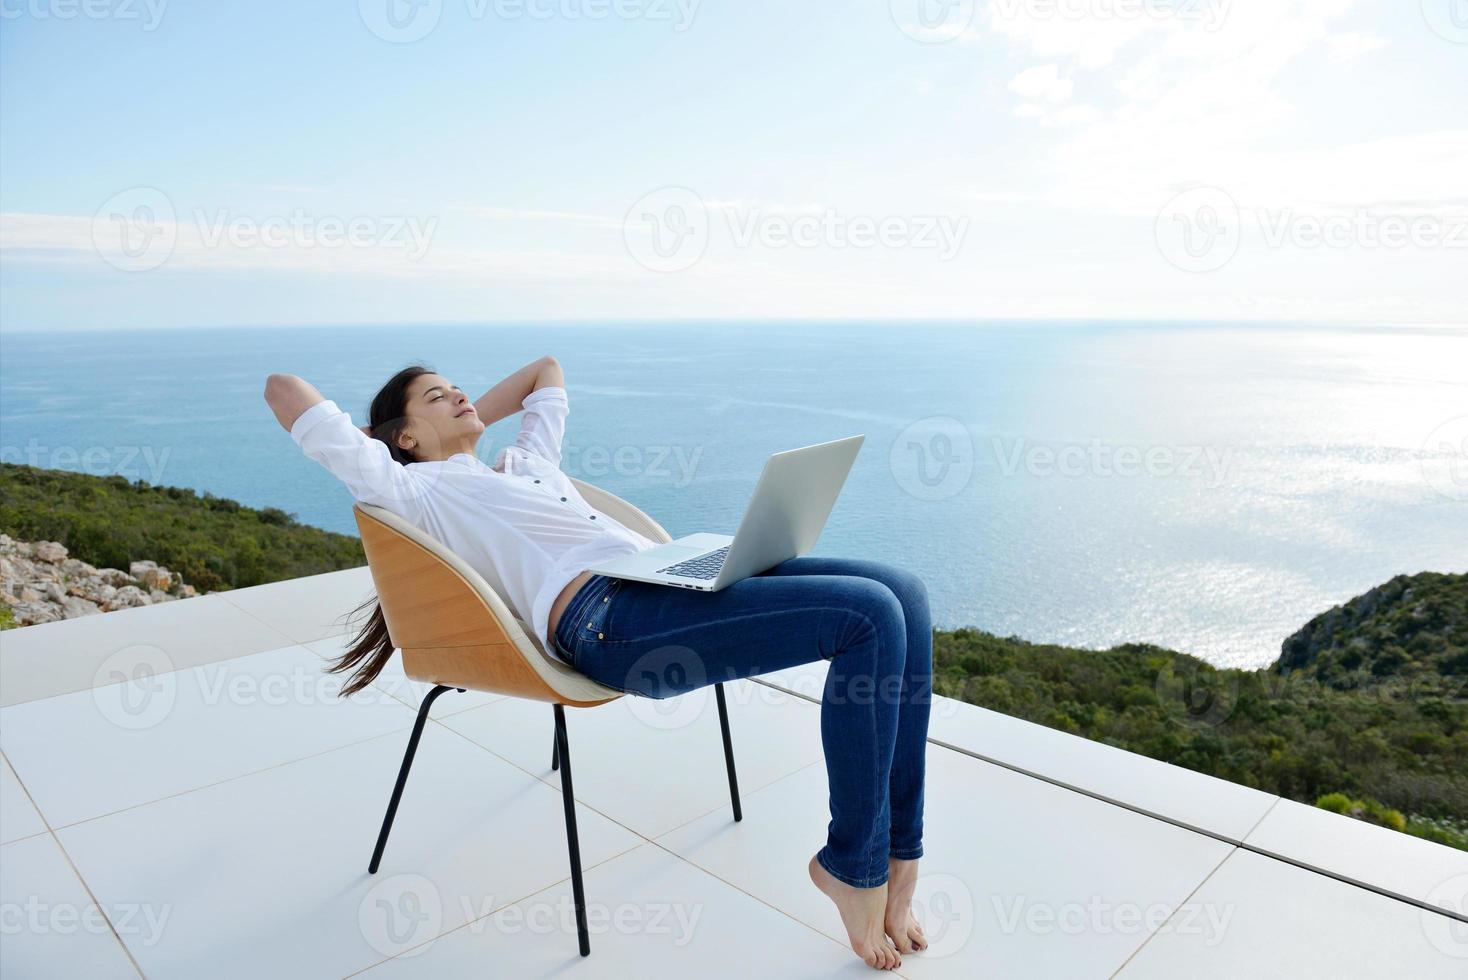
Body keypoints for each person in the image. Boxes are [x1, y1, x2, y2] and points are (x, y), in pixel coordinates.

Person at [264, 355, 932, 970]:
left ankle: (899, 857)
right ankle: (854, 865)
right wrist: (369, 440)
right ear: (403, 438)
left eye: (458, 387)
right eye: (438, 396)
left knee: (905, 594)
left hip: (662, 579)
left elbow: (545, 373)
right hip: (609, 625)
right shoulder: (416, 492)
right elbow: (284, 390)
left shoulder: (524, 465)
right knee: (866, 618)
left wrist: (459, 419)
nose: (462, 395)